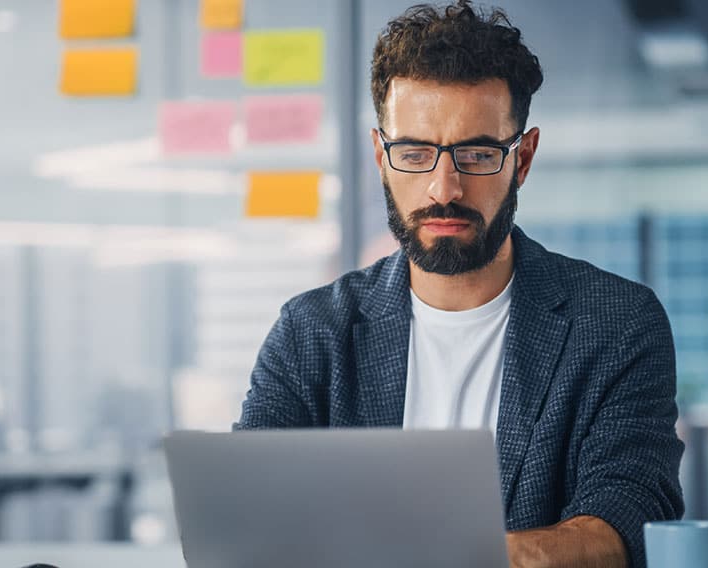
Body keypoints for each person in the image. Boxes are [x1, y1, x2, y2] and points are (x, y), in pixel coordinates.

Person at [237, 1, 684, 566]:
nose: (442, 188)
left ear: (521, 160)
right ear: (380, 156)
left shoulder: (616, 323)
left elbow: (631, 514)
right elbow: (247, 517)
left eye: (475, 153)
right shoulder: (311, 331)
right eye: (415, 153)